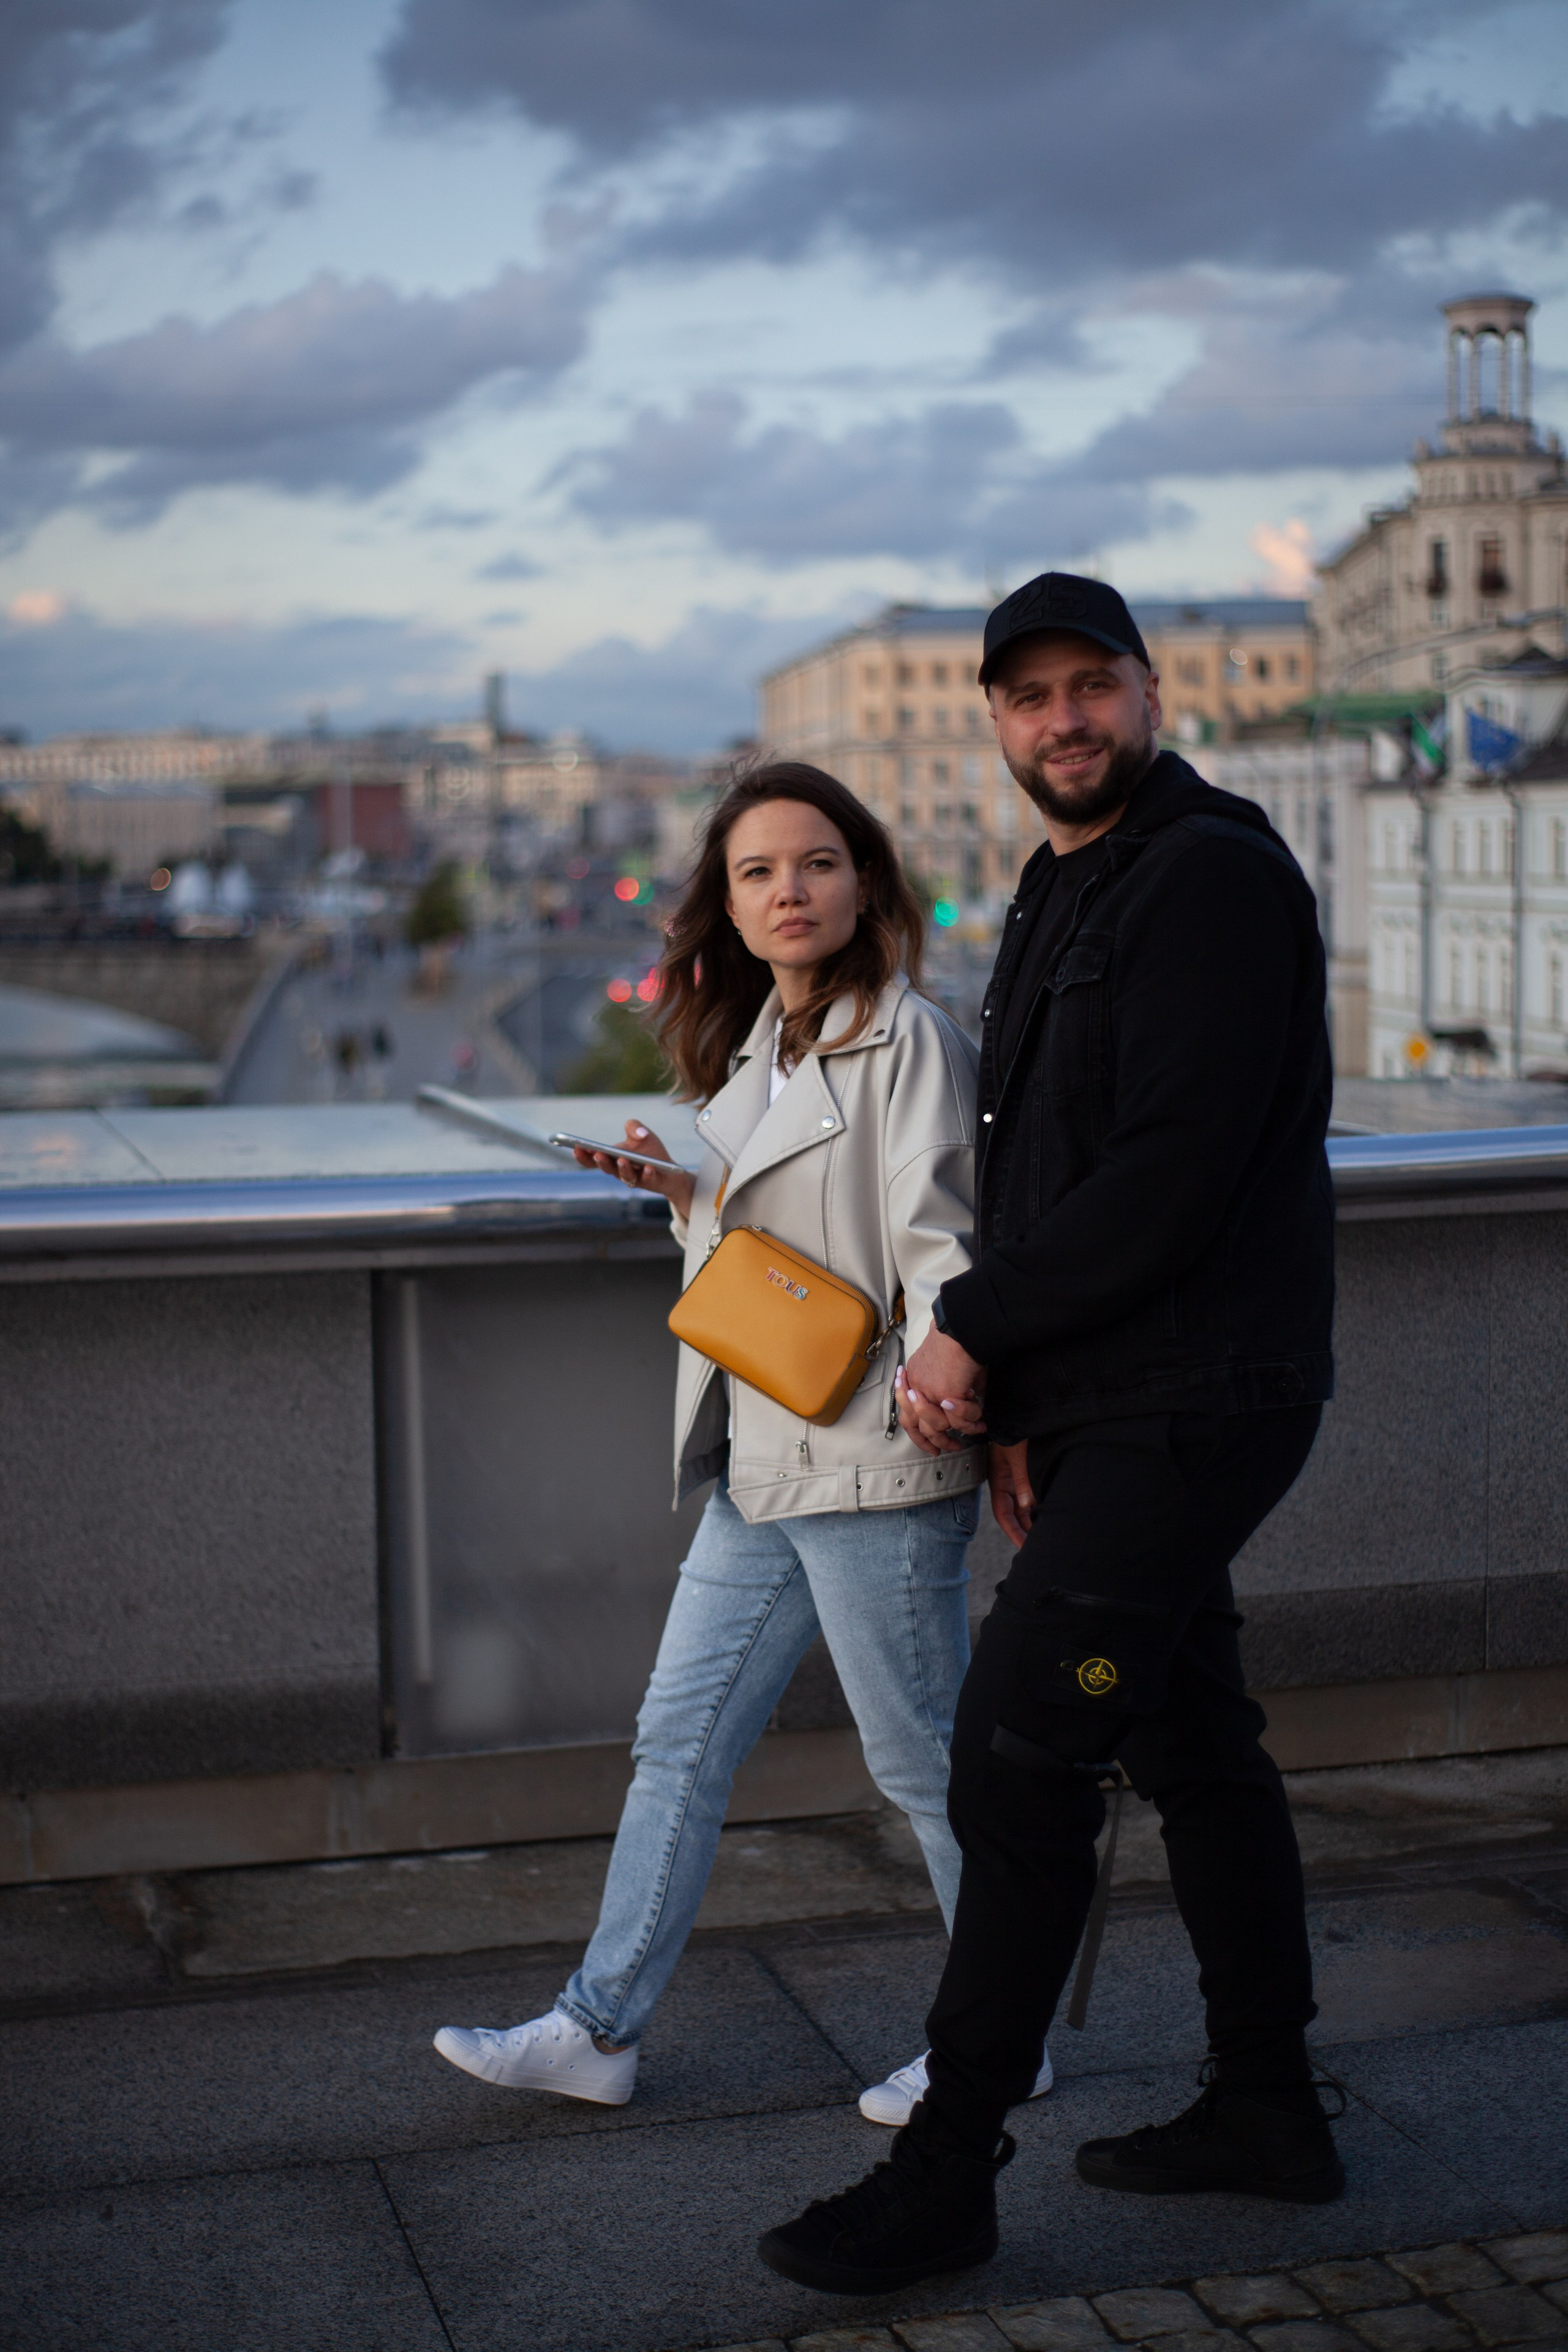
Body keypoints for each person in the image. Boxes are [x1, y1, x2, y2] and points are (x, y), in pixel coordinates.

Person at [760, 575, 1338, 2299]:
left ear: (1150, 696)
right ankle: (1269, 2108)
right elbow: (1035, 1169)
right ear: (996, 721)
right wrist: (1022, 1395)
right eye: (1029, 699)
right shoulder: (1062, 880)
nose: (1062, 721)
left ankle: (948, 2172)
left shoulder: (1214, 876)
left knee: (1020, 1760)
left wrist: (974, 1332)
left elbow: (1168, 1172)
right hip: (1114, 1402)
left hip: (1198, 1395)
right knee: (1197, 1745)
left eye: (1094, 687)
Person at [433, 761, 1052, 2124]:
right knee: (679, 1742)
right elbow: (767, 1250)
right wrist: (681, 1186)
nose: (789, 891)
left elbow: (947, 1259)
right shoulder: (758, 1049)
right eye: (757, 871)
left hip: (873, 1464)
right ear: (723, 901)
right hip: (764, 1456)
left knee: (922, 1767)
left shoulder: (908, 1043)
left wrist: (932, 1392)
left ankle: (1001, 2045)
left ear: (865, 882)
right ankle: (597, 2030)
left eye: (816, 863)